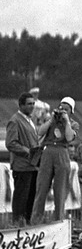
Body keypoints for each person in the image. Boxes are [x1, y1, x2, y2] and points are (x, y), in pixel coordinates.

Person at [32, 96, 80, 223]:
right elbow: (40, 132)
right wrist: (51, 120)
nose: (62, 111)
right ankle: (36, 219)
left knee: (60, 190)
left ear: (71, 112)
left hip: (62, 151)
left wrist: (66, 121)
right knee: (41, 188)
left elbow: (69, 138)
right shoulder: (51, 121)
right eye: (61, 108)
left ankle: (58, 220)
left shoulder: (73, 124)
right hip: (48, 151)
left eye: (66, 110)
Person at [5, 92, 41, 224]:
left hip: (32, 165)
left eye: (33, 104)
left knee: (30, 197)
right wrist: (28, 151)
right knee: (21, 197)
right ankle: (17, 223)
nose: (32, 106)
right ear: (21, 105)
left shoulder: (30, 120)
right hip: (22, 166)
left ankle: (27, 223)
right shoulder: (15, 121)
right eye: (29, 104)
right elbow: (10, 143)